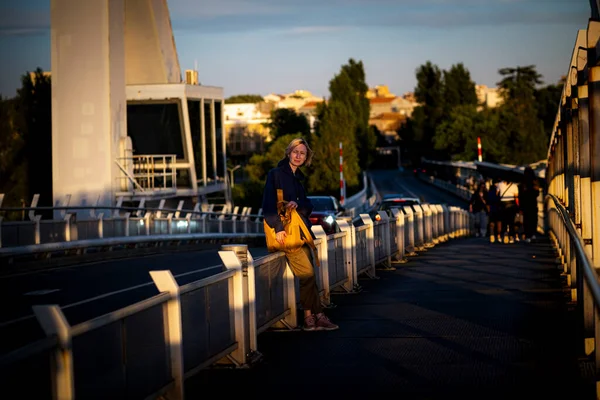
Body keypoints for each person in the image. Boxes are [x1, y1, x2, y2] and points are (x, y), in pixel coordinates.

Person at [262, 137, 339, 331]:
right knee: (307, 275)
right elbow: (268, 204)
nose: (298, 156)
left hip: (302, 232)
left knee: (310, 276)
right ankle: (318, 315)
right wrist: (278, 227)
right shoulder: (276, 174)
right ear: (288, 153)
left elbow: (308, 205)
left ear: (306, 158)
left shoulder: (298, 178)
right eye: (295, 152)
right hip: (287, 234)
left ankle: (309, 316)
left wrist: (298, 205)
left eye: (302, 153)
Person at [518, 166, 540, 243]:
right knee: (533, 219)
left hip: (525, 204)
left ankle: (528, 236)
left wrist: (520, 207)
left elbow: (520, 195)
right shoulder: (535, 182)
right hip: (533, 203)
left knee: (526, 220)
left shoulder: (522, 183)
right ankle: (533, 234)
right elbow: (537, 193)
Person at [497, 177, 519, 243]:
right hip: (511, 204)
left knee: (504, 221)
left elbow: (497, 194)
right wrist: (517, 206)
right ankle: (511, 237)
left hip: (503, 204)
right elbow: (516, 197)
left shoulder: (499, 184)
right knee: (511, 221)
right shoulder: (514, 186)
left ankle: (504, 234)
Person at [487, 178, 502, 243]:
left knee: (492, 224)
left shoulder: (490, 191)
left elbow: (488, 201)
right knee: (498, 223)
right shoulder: (499, 190)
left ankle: (492, 236)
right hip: (498, 209)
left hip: (492, 209)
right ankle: (498, 236)